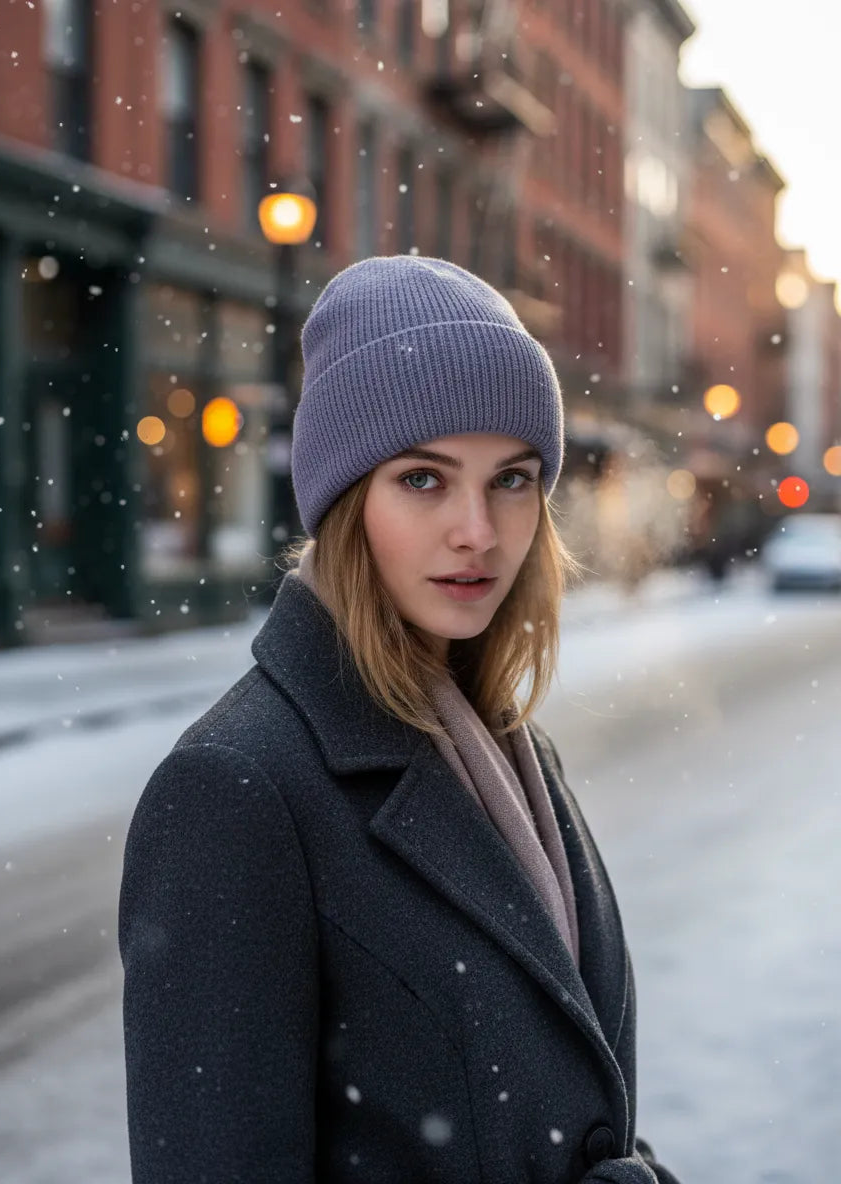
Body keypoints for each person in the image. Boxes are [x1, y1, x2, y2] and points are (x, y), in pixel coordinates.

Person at [118, 255, 682, 1183]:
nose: (479, 530)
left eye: (512, 479)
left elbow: (571, 1102)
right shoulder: (236, 789)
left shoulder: (508, 748)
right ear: (347, 502)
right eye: (423, 479)